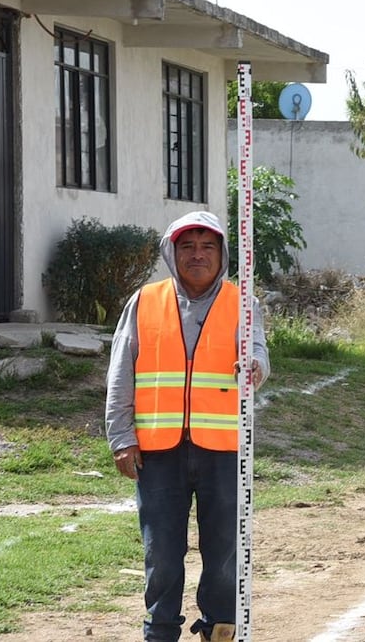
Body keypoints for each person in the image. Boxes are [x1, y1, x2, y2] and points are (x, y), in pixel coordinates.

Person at [105, 210, 270, 642]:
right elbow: (121, 373)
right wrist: (122, 437)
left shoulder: (243, 302)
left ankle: (219, 628)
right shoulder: (144, 301)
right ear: (171, 252)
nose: (197, 255)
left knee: (223, 551)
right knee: (162, 553)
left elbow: (259, 355)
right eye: (187, 246)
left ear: (222, 255)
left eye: (207, 246)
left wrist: (252, 368)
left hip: (224, 450)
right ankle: (160, 631)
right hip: (158, 454)